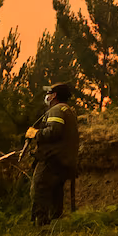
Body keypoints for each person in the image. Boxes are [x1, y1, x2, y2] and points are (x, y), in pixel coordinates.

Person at [26, 82, 79, 225]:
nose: (46, 96)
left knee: (39, 188)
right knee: (56, 192)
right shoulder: (68, 110)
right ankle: (55, 224)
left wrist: (35, 133)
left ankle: (41, 223)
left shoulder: (56, 110)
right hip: (64, 160)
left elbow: (54, 132)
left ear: (54, 95)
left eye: (48, 93)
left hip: (52, 159)